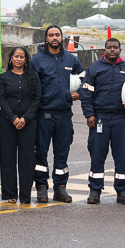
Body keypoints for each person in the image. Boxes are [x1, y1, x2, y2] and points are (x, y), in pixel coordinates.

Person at [79, 38, 125, 205]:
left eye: (115, 47)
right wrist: (89, 115)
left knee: (121, 155)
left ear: (120, 50)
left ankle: (122, 191)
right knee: (97, 155)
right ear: (105, 50)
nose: (112, 50)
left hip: (121, 119)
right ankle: (95, 190)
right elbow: (86, 94)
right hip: (99, 118)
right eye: (109, 47)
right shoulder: (95, 68)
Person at [30, 25, 84, 204]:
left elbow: (85, 79)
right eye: (51, 35)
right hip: (43, 114)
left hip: (64, 114)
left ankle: (60, 187)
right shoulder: (37, 60)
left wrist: (78, 94)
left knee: (62, 152)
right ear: (46, 38)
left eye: (57, 35)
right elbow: (31, 87)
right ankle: (41, 187)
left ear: (62, 37)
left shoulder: (71, 59)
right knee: (40, 153)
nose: (55, 38)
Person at [0, 47, 41, 205]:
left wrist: (26, 118)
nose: (19, 59)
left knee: (27, 159)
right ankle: (10, 194)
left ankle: (25, 195)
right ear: (11, 58)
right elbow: (1, 98)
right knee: (7, 157)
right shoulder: (4, 77)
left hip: (28, 123)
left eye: (22, 57)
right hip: (8, 122)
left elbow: (37, 98)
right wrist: (13, 118)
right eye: (16, 56)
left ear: (26, 59)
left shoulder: (33, 76)